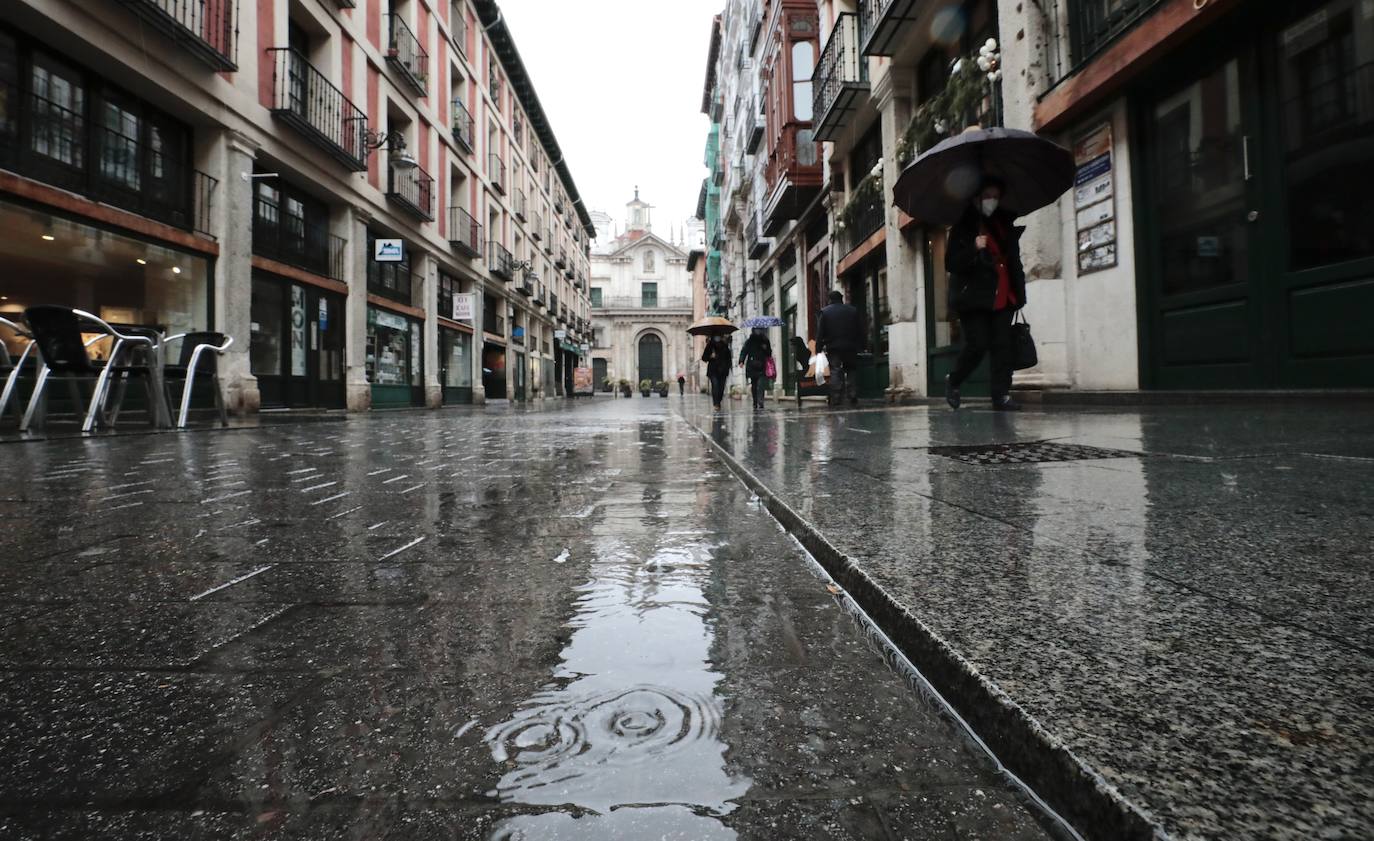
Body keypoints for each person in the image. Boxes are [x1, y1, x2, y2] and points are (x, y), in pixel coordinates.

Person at [944, 176, 1027, 411]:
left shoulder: (1005, 224)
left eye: (996, 196)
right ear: (977, 198)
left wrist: (1020, 294)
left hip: (1003, 293)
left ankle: (1000, 395)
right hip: (973, 297)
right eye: (988, 196)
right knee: (978, 344)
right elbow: (950, 263)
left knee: (1003, 346)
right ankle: (955, 379)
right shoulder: (963, 226)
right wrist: (973, 248)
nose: (992, 200)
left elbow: (1014, 262)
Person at [815, 289, 863, 406]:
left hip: (833, 347)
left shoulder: (825, 312)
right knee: (851, 369)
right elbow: (860, 329)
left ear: (830, 300)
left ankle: (836, 397)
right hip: (850, 346)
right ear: (841, 298)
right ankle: (852, 395)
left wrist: (818, 347)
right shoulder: (852, 310)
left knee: (836, 370)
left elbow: (820, 332)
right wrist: (861, 345)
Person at [738, 327, 772, 410]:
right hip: (752, 366)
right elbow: (744, 351)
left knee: (760, 385)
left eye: (760, 330)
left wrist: (765, 348)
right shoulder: (749, 341)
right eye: (757, 330)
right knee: (754, 385)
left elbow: (769, 353)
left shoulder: (765, 340)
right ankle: (755, 401)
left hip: (762, 365)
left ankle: (760, 401)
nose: (758, 331)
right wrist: (741, 361)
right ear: (753, 331)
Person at [701, 334, 732, 410]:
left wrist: (728, 367)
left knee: (721, 388)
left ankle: (719, 401)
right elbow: (704, 358)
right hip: (713, 371)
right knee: (715, 386)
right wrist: (710, 356)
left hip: (723, 370)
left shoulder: (725, 345)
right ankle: (716, 403)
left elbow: (729, 358)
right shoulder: (710, 346)